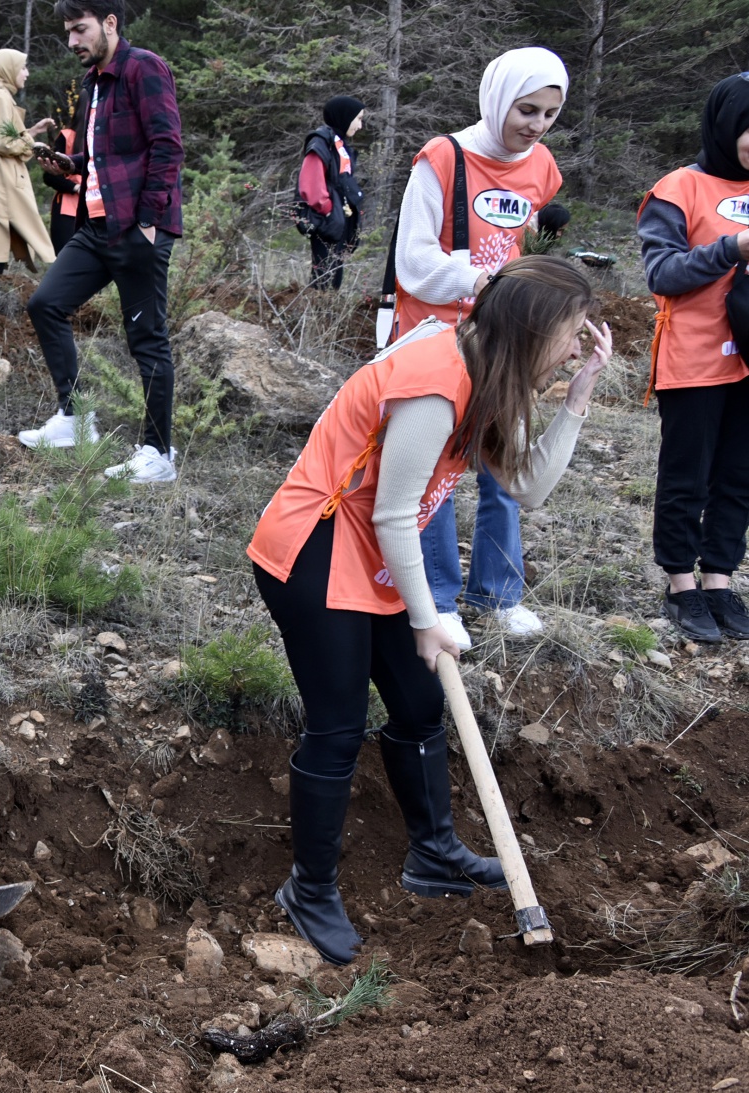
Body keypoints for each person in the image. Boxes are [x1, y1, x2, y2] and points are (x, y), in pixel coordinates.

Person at [248, 255, 612, 965]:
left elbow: (529, 489)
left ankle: (434, 853)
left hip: (379, 549)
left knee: (419, 705)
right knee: (338, 722)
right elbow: (390, 511)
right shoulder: (435, 381)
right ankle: (310, 889)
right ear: (532, 328)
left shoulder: (490, 376)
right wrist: (426, 616)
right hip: (315, 545)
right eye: (572, 335)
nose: (577, 346)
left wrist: (577, 397)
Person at [392, 47, 570, 649]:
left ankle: (498, 592)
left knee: (502, 464)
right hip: (437, 340)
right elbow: (412, 261)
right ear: (497, 99)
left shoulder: (541, 165)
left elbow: (525, 243)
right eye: (526, 109)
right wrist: (480, 282)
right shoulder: (443, 159)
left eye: (549, 113)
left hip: (503, 341)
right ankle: (438, 598)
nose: (537, 125)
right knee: (436, 469)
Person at [23, 0, 184, 485]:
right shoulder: (95, 81)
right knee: (45, 304)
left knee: (147, 341)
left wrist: (150, 221)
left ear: (110, 23)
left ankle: (158, 453)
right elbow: (107, 157)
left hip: (137, 229)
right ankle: (74, 419)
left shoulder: (143, 68)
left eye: (80, 30)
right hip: (96, 228)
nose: (73, 41)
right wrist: (69, 165)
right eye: (69, 33)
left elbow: (167, 145)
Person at [639, 72, 749, 642]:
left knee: (738, 476)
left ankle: (719, 581)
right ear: (728, 125)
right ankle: (681, 583)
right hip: (696, 357)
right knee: (689, 476)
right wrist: (731, 247)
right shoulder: (678, 188)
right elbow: (662, 273)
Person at [0, 49, 57, 277]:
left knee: (0, 234)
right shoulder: (1, 96)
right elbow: (3, 143)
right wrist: (33, 146)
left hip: (0, 176)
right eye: (22, 67)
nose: (27, 73)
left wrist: (31, 131)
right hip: (2, 178)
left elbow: (4, 135)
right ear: (7, 69)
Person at [298, 96, 366, 290]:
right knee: (323, 276)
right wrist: (329, 210)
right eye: (358, 119)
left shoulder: (340, 146)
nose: (360, 126)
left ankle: (328, 315)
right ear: (345, 117)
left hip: (339, 221)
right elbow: (310, 186)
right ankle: (316, 314)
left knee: (334, 274)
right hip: (327, 221)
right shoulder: (321, 144)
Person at [41, 119, 85, 256]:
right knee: (66, 258)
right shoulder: (67, 136)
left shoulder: (105, 136)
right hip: (67, 210)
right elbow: (50, 176)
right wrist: (75, 187)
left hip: (96, 210)